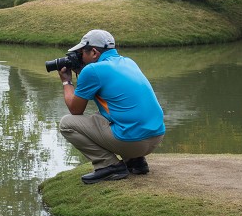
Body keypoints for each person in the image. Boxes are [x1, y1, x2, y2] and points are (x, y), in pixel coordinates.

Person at [57, 29, 165, 184]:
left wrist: (66, 81)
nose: (80, 57)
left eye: (82, 53)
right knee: (102, 117)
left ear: (94, 52)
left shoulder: (92, 71)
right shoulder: (128, 62)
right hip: (156, 137)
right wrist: (82, 71)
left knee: (67, 123)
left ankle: (109, 166)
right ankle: (136, 162)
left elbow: (75, 110)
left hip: (132, 142)